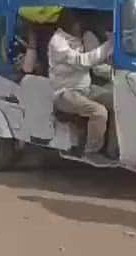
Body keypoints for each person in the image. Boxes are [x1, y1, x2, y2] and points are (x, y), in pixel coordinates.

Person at [48, 9, 113, 160]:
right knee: (99, 112)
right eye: (79, 23)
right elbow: (84, 62)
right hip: (65, 94)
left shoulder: (79, 38)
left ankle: (113, 150)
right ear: (70, 24)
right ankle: (92, 152)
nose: (82, 26)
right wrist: (110, 44)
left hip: (85, 89)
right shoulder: (58, 43)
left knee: (118, 102)